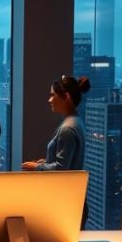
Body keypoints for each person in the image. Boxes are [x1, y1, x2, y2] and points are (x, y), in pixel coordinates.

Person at [22, 75, 90, 228]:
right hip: (74, 200)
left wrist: (37, 167)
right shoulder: (76, 122)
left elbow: (61, 168)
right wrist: (47, 162)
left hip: (66, 203)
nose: (49, 100)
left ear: (66, 96)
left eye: (53, 95)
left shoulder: (67, 128)